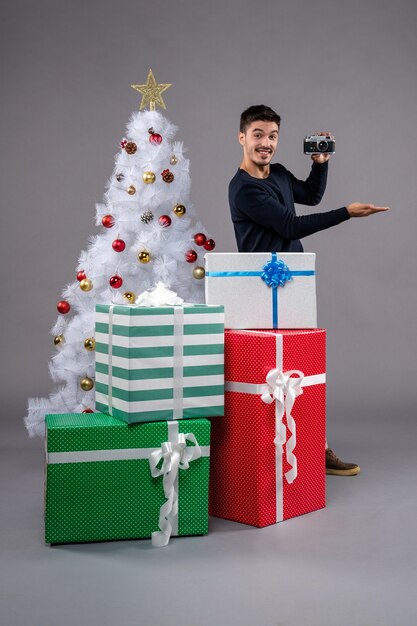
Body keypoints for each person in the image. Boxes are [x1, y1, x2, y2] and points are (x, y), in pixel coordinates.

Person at [229, 104, 389, 476]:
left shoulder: (280, 174)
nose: (265, 143)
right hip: (258, 287)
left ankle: (317, 448)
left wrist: (320, 163)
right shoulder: (244, 189)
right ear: (242, 138)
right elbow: (289, 226)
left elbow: (311, 197)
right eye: (258, 135)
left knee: (302, 365)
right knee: (264, 372)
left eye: (272, 136)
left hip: (293, 281)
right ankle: (259, 455)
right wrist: (346, 213)